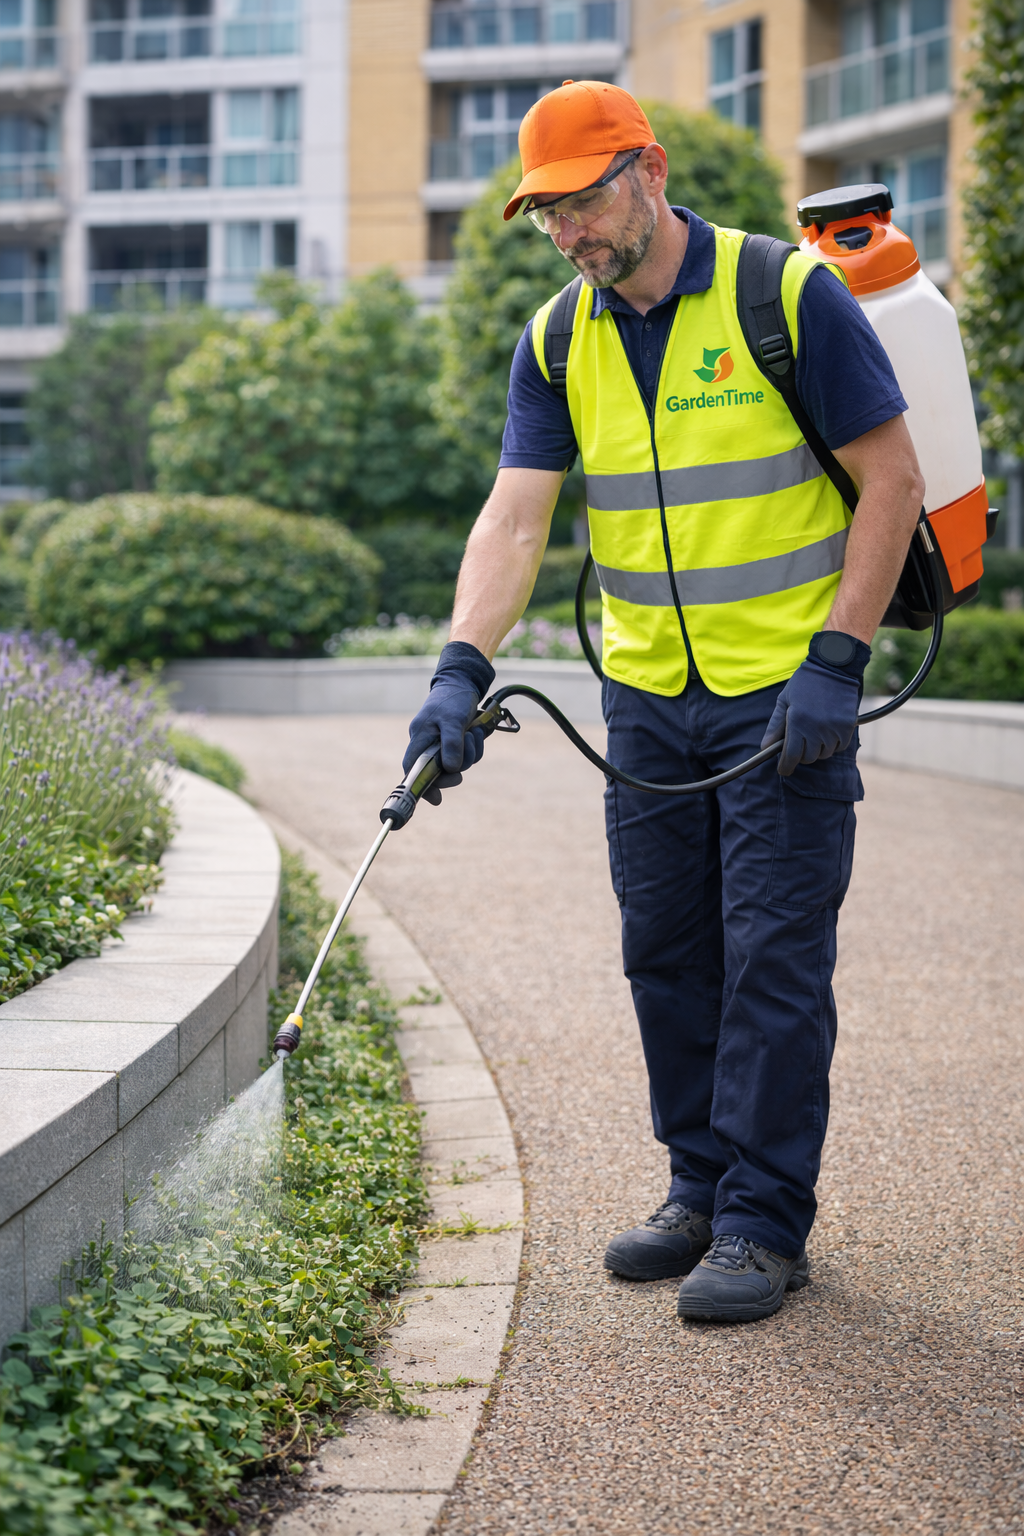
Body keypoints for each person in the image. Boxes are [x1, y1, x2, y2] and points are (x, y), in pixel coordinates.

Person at [404, 82, 923, 1323]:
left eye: (582, 200)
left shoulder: (783, 296)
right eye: (547, 215)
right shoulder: (555, 337)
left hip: (783, 693)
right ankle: (697, 1185)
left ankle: (760, 1222)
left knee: (773, 962)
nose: (569, 232)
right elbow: (516, 513)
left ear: (647, 169)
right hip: (644, 698)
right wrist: (456, 668)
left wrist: (837, 662)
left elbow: (893, 479)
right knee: (668, 953)